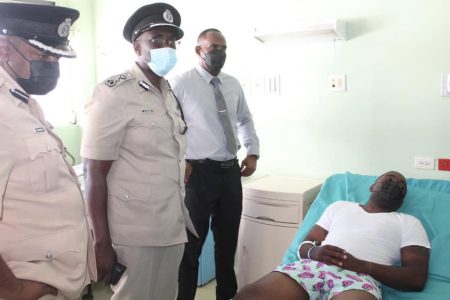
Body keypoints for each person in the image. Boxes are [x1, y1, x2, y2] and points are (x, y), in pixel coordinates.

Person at [80, 3, 196, 300]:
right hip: (133, 230)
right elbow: (93, 173)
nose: (166, 46)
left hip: (171, 224)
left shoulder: (168, 92)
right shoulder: (113, 92)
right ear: (137, 47)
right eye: (156, 39)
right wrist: (101, 241)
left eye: (171, 40)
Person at [0, 3, 96, 300]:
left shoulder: (23, 102)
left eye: (56, 56)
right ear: (4, 49)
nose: (51, 64)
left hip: (60, 279)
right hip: (28, 284)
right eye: (42, 54)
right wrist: (12, 290)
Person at [235, 171, 430, 300]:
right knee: (248, 295)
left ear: (402, 200)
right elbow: (305, 245)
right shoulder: (339, 206)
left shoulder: (408, 222)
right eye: (389, 179)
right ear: (372, 187)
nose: (394, 183)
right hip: (312, 268)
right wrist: (314, 252)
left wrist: (362, 265)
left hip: (360, 279)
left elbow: (415, 278)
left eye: (401, 185)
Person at [170, 28, 260, 300]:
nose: (219, 53)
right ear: (199, 51)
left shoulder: (232, 84)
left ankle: (227, 296)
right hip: (198, 174)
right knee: (191, 247)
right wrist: (180, 160)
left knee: (227, 243)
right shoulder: (181, 84)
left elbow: (245, 118)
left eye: (223, 48)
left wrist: (253, 152)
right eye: (213, 48)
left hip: (230, 172)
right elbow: (170, 126)